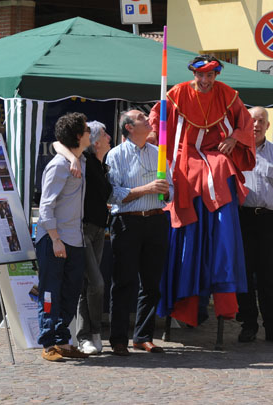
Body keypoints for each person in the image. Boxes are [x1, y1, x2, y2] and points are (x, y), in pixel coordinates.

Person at [148, 55, 255, 327]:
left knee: (222, 171)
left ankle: (222, 284)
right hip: (185, 154)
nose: (205, 81)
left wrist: (234, 138)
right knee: (186, 179)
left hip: (215, 154)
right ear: (193, 74)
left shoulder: (228, 95)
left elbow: (246, 123)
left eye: (210, 75)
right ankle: (186, 296)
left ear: (216, 75)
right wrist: (154, 140)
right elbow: (156, 119)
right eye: (201, 75)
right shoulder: (177, 93)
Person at [105, 109, 172, 356]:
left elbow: (170, 191)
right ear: (130, 127)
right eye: (142, 117)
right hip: (127, 223)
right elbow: (113, 194)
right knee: (124, 282)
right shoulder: (116, 155)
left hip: (156, 220)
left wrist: (165, 191)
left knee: (152, 283)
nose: (149, 119)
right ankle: (118, 338)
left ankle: (143, 335)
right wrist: (146, 188)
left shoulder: (159, 153)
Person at [35, 112, 92, 362]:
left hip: (75, 239)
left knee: (70, 291)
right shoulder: (59, 165)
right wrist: (55, 238)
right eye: (87, 130)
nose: (90, 133)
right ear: (79, 136)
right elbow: (45, 206)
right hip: (55, 239)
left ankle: (62, 339)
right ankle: (48, 343)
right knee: (50, 291)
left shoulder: (80, 161)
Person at [54, 120, 113, 355]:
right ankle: (89, 333)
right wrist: (73, 158)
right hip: (83, 230)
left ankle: (87, 335)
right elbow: (56, 144)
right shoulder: (83, 161)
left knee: (89, 285)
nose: (109, 137)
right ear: (95, 141)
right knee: (96, 283)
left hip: (99, 230)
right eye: (105, 134)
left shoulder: (101, 164)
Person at [237, 107, 273, 344]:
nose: (256, 124)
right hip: (243, 218)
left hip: (270, 219)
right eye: (252, 120)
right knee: (245, 274)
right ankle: (248, 324)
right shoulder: (237, 149)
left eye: (261, 121)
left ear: (268, 126)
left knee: (269, 275)